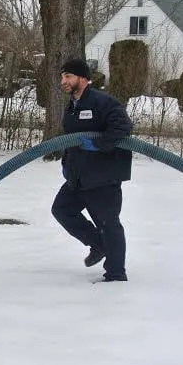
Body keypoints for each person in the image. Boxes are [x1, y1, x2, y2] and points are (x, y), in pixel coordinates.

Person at [52, 58, 133, 282]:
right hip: (78, 176)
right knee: (62, 210)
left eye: (68, 76)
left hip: (102, 177)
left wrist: (97, 144)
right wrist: (67, 165)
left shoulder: (103, 102)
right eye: (62, 77)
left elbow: (123, 127)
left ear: (83, 78)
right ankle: (97, 244)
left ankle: (116, 275)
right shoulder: (72, 107)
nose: (63, 81)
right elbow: (72, 140)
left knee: (108, 223)